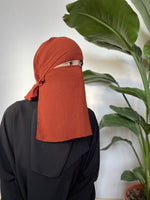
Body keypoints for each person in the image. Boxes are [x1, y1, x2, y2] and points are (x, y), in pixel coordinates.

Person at [0, 36, 100, 200]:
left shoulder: (88, 119)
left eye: (80, 64)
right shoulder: (15, 116)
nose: (77, 70)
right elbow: (8, 177)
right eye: (69, 63)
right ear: (47, 67)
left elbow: (87, 178)